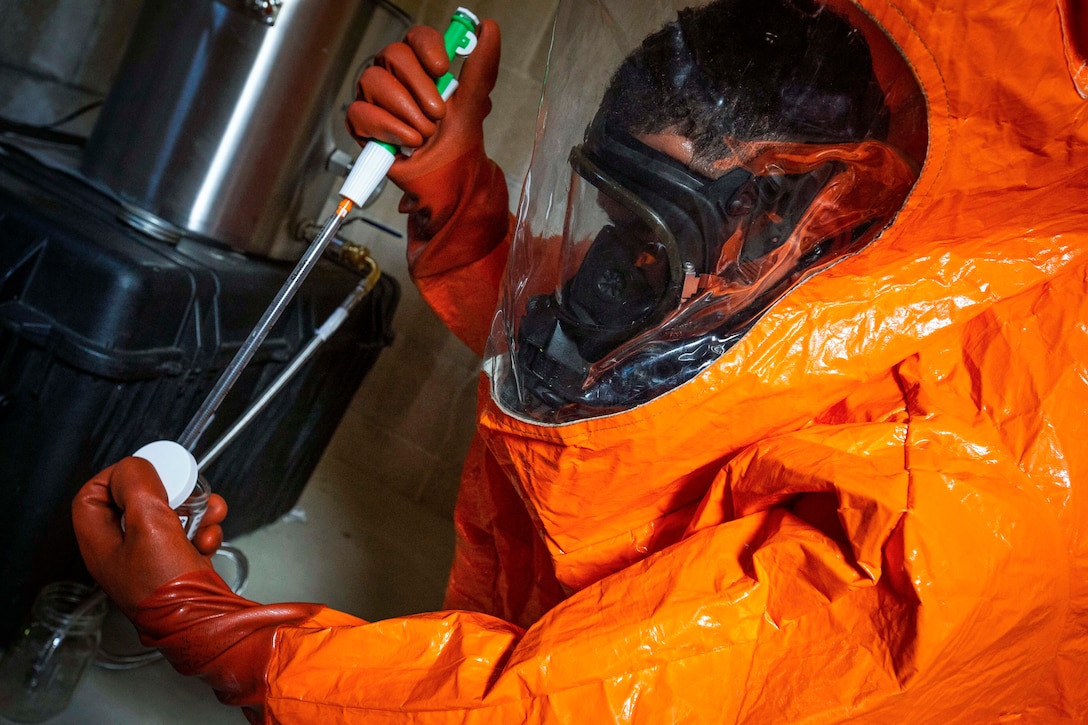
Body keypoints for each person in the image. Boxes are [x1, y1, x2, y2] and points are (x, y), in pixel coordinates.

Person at [72, 0, 1088, 721]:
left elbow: (614, 699)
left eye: (652, 235)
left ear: (826, 207)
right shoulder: (833, 280)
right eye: (615, 217)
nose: (612, 269)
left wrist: (238, 640)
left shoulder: (985, 466)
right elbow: (638, 379)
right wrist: (458, 196)